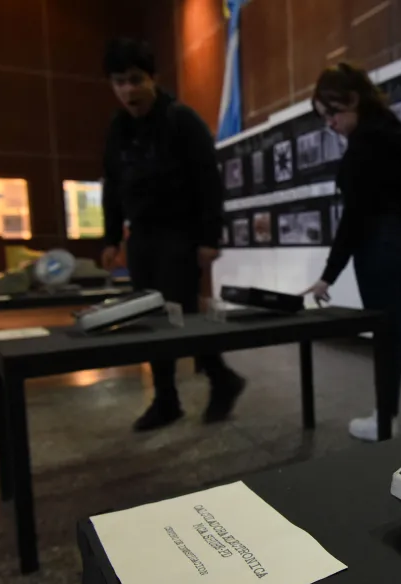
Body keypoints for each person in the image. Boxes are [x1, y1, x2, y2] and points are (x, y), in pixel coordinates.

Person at [100, 38, 245, 432]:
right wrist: (112, 238)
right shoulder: (118, 129)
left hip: (180, 234)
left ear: (152, 78)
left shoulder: (182, 120)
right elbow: (112, 186)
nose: (128, 90)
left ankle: (219, 379)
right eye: (119, 82)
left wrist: (209, 238)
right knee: (150, 316)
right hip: (142, 237)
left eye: (134, 80)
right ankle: (170, 399)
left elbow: (209, 183)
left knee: (180, 315)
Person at [302, 62, 401, 441]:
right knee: (393, 332)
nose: (330, 124)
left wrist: (327, 276)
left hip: (381, 252)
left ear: (352, 100)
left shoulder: (362, 151)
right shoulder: (397, 136)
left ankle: (385, 422)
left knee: (387, 336)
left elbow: (353, 221)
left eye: (332, 113)